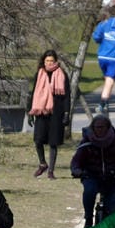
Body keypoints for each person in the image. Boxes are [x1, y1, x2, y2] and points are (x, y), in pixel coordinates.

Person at [29, 50, 70, 179]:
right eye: (47, 61)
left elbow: (67, 95)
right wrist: (30, 111)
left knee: (53, 142)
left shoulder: (61, 74)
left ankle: (51, 170)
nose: (49, 63)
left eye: (51, 61)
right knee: (38, 140)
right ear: (43, 61)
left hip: (57, 111)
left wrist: (66, 113)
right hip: (41, 110)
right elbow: (33, 92)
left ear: (56, 61)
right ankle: (42, 163)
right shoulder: (39, 74)